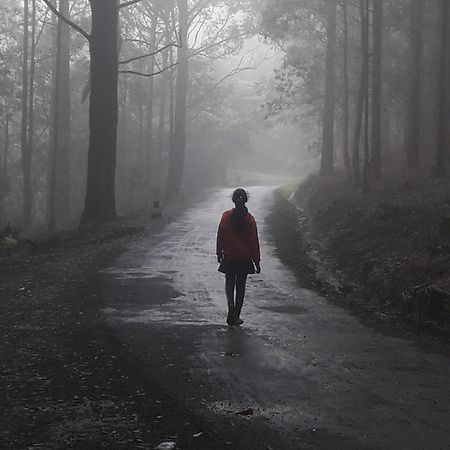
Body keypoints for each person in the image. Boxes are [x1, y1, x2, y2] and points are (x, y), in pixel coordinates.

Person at [216, 188, 261, 326]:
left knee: (229, 283)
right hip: (244, 259)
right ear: (245, 200)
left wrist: (219, 252)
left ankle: (230, 306)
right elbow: (253, 242)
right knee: (240, 287)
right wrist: (256, 261)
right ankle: (236, 315)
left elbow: (220, 235)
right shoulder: (249, 219)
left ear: (233, 200)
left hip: (229, 256)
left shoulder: (225, 216)